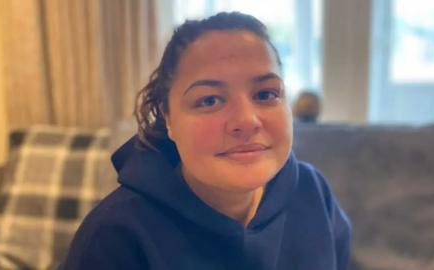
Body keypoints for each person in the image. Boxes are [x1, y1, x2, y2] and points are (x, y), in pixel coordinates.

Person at [62, 12, 351, 270]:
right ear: (169, 120)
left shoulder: (313, 193)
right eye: (209, 100)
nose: (246, 121)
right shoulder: (115, 236)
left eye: (265, 94)